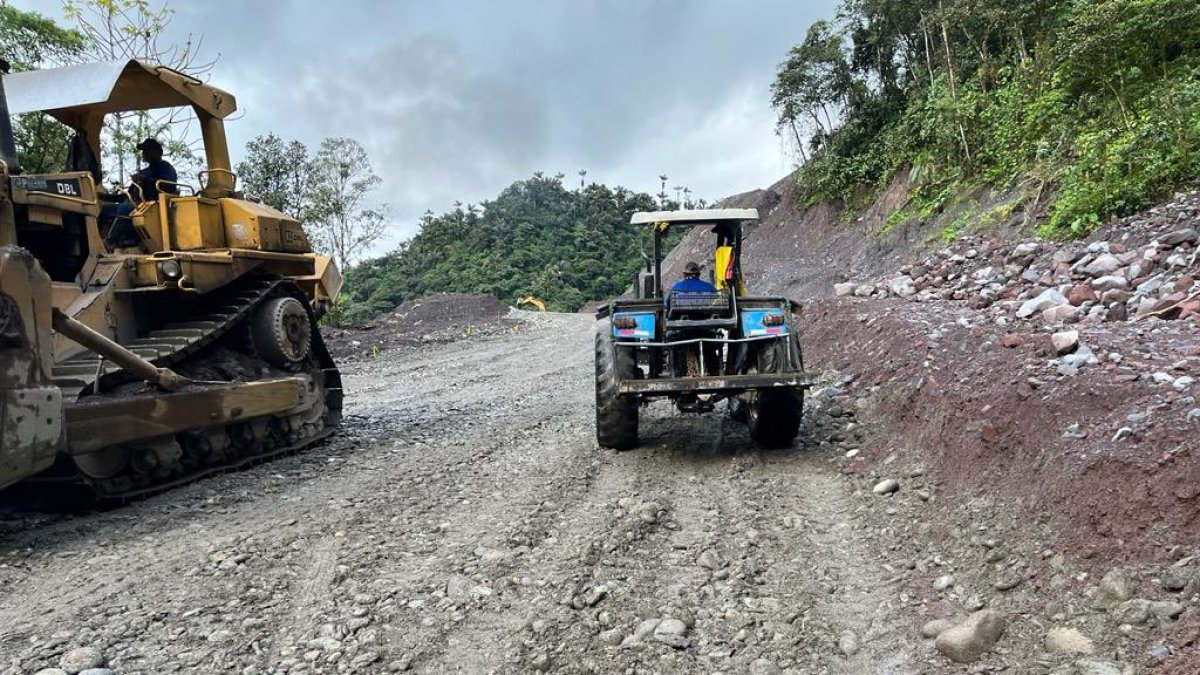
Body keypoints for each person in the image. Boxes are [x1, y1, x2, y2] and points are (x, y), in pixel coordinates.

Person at [102, 138, 178, 249]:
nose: (144, 153)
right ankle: (98, 241)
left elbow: (170, 186)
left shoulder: (165, 167)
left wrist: (145, 179)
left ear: (158, 152)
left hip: (152, 206)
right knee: (104, 209)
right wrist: (104, 196)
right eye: (143, 151)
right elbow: (127, 195)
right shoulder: (144, 172)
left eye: (147, 150)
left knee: (124, 209)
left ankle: (110, 243)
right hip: (135, 204)